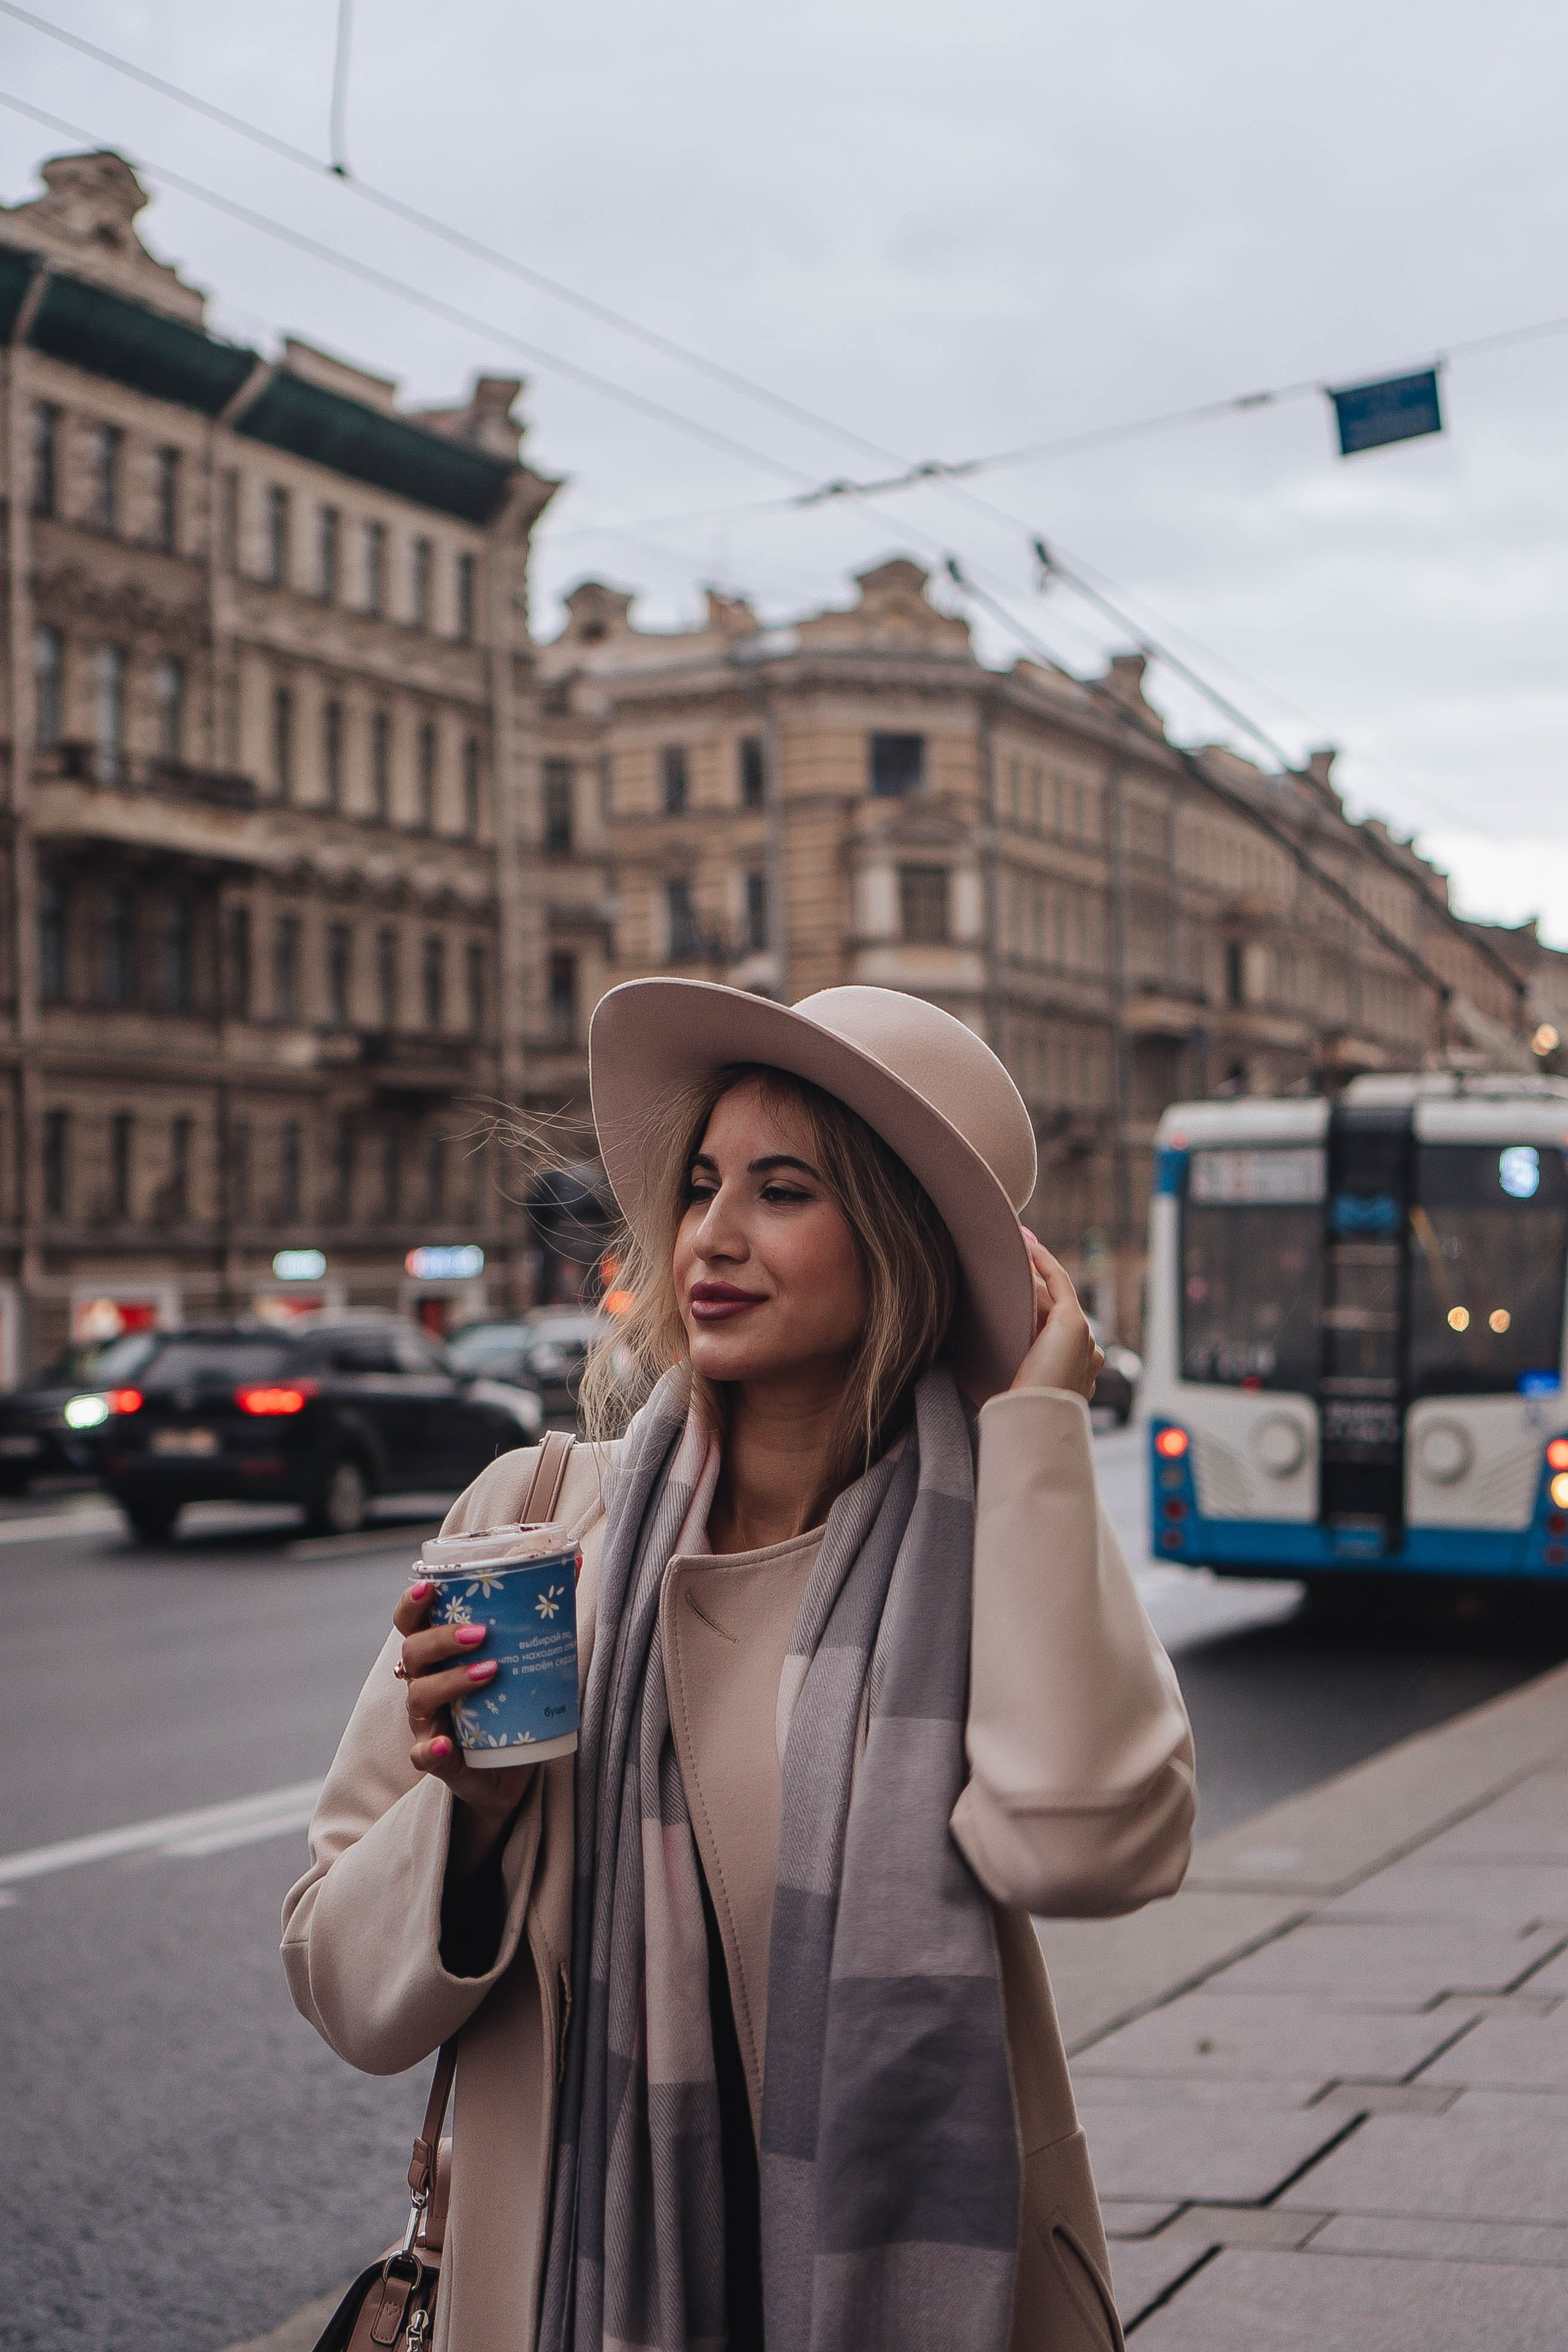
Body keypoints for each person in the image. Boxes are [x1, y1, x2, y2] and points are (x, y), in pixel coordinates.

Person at [284, 981, 1194, 2352]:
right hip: (572, 2292)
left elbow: (1088, 1847)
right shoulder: (530, 1522)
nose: (708, 1235)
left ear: (901, 1244)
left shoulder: (989, 1550)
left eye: (781, 1191)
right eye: (700, 1184)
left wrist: (1041, 1424)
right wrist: (465, 1821)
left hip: (910, 2290)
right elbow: (341, 1983)